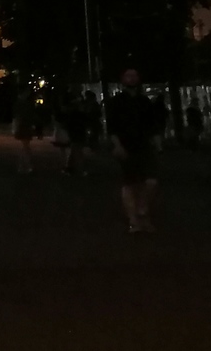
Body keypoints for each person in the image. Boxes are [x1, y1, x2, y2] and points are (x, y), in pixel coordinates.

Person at [105, 69, 166, 233]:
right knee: (130, 183)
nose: (132, 78)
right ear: (122, 79)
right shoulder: (116, 102)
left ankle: (141, 210)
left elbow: (152, 125)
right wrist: (117, 145)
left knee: (151, 181)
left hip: (144, 145)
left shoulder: (144, 101)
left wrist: (158, 143)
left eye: (135, 75)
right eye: (128, 75)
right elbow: (112, 127)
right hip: (126, 145)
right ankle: (135, 220)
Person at [11, 82, 40, 174]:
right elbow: (19, 116)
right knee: (25, 146)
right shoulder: (22, 103)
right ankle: (26, 165)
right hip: (24, 125)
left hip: (24, 125)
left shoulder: (20, 103)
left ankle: (23, 165)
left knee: (25, 146)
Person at [59, 91, 90, 175]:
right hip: (78, 132)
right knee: (77, 150)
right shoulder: (79, 113)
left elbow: (68, 123)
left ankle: (72, 168)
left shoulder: (72, 112)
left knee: (75, 150)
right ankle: (76, 168)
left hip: (75, 132)